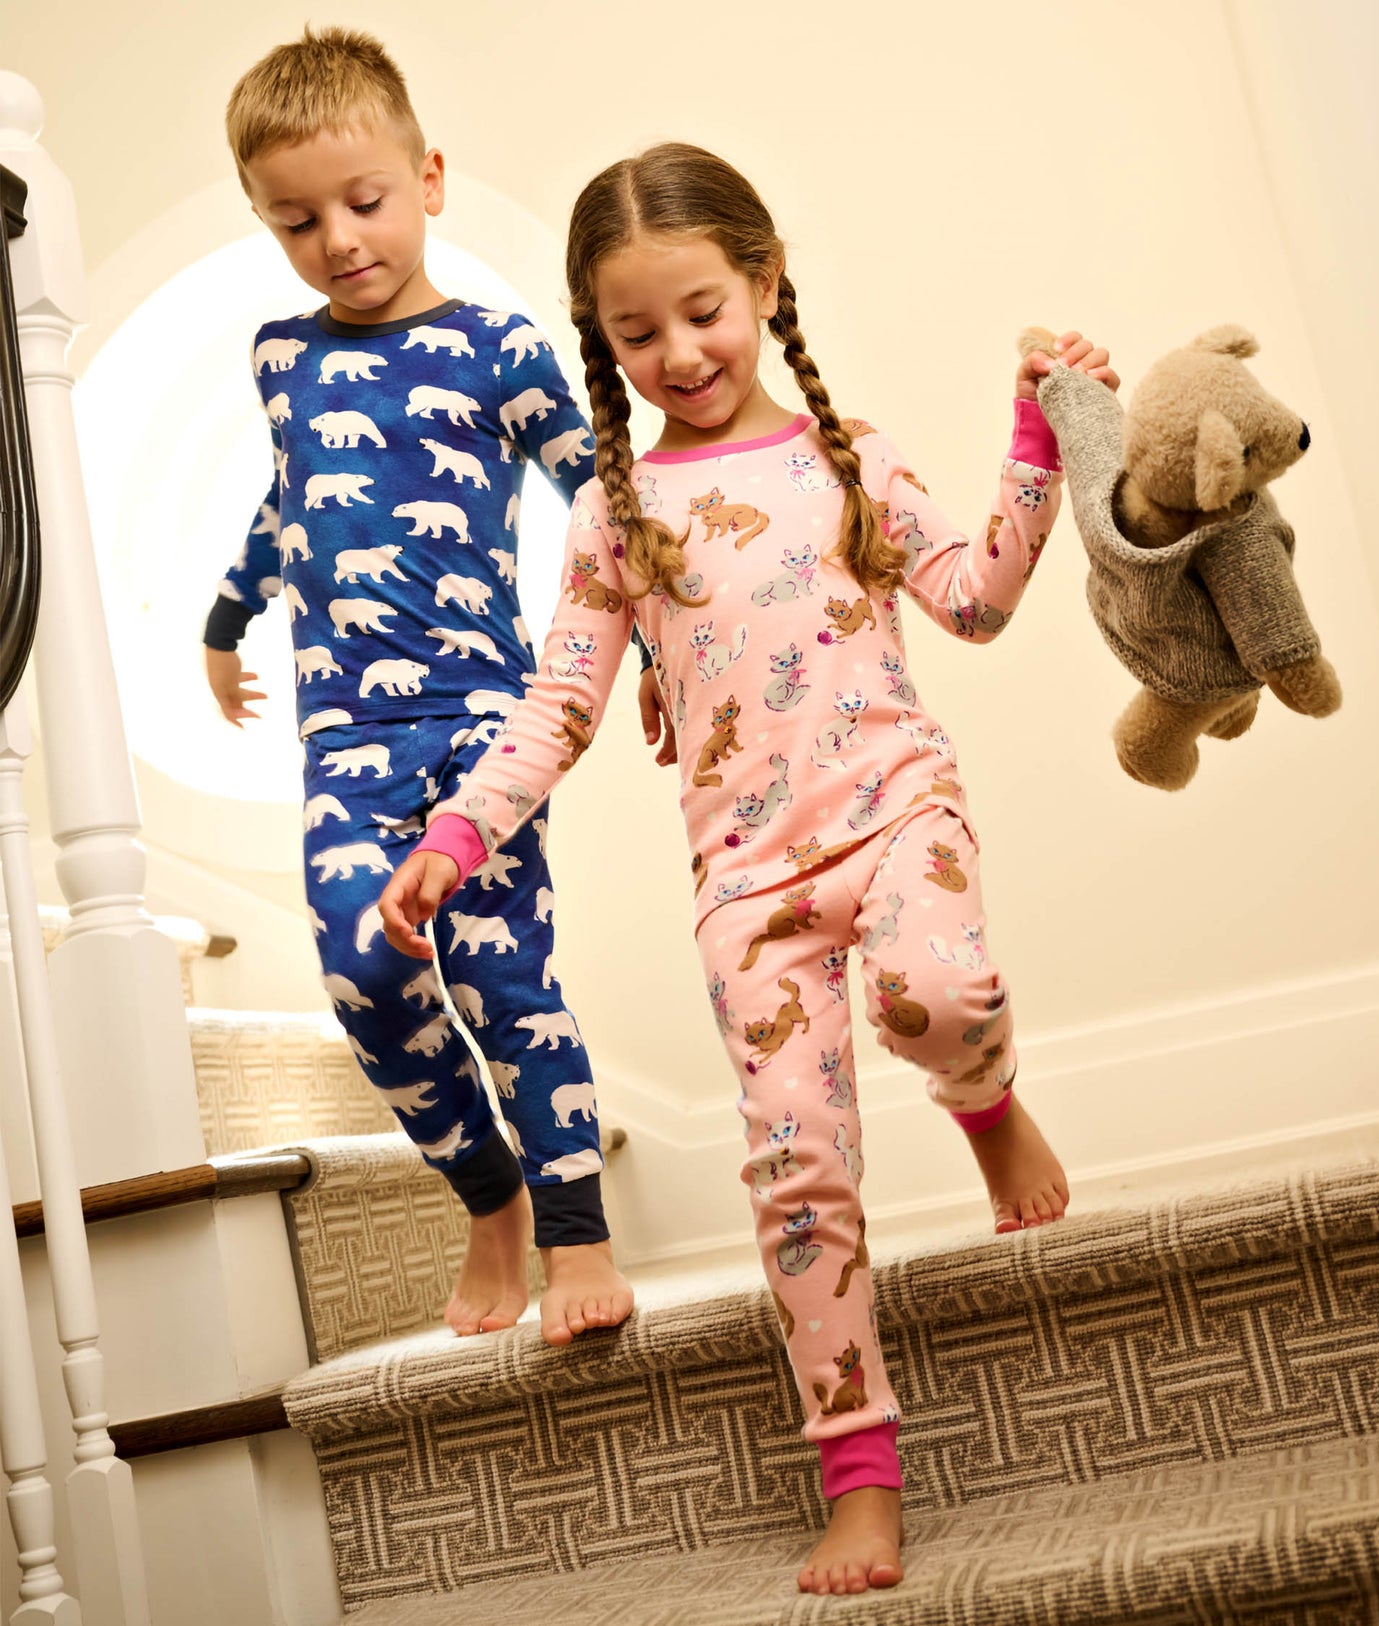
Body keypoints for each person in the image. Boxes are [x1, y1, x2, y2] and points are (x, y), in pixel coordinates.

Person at [377, 142, 1118, 1594]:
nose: (675, 352)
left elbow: (971, 601)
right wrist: (458, 833)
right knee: (796, 1168)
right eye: (633, 332)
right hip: (747, 885)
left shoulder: (847, 458)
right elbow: (560, 708)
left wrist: (1032, 440)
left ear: (764, 282)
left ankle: (986, 1106)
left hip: (896, 806)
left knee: (940, 998)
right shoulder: (618, 516)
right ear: (601, 339)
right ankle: (857, 1470)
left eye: (702, 310)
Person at [203, 26, 632, 1348]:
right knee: (361, 977)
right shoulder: (287, 358)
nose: (336, 239)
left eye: (363, 201)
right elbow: (294, 506)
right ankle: (486, 1193)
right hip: (346, 742)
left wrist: (672, 631)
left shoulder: (500, 347)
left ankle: (578, 1234)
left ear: (427, 178)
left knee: (509, 984)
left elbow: (605, 506)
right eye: (295, 221)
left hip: (482, 730)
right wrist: (227, 619)